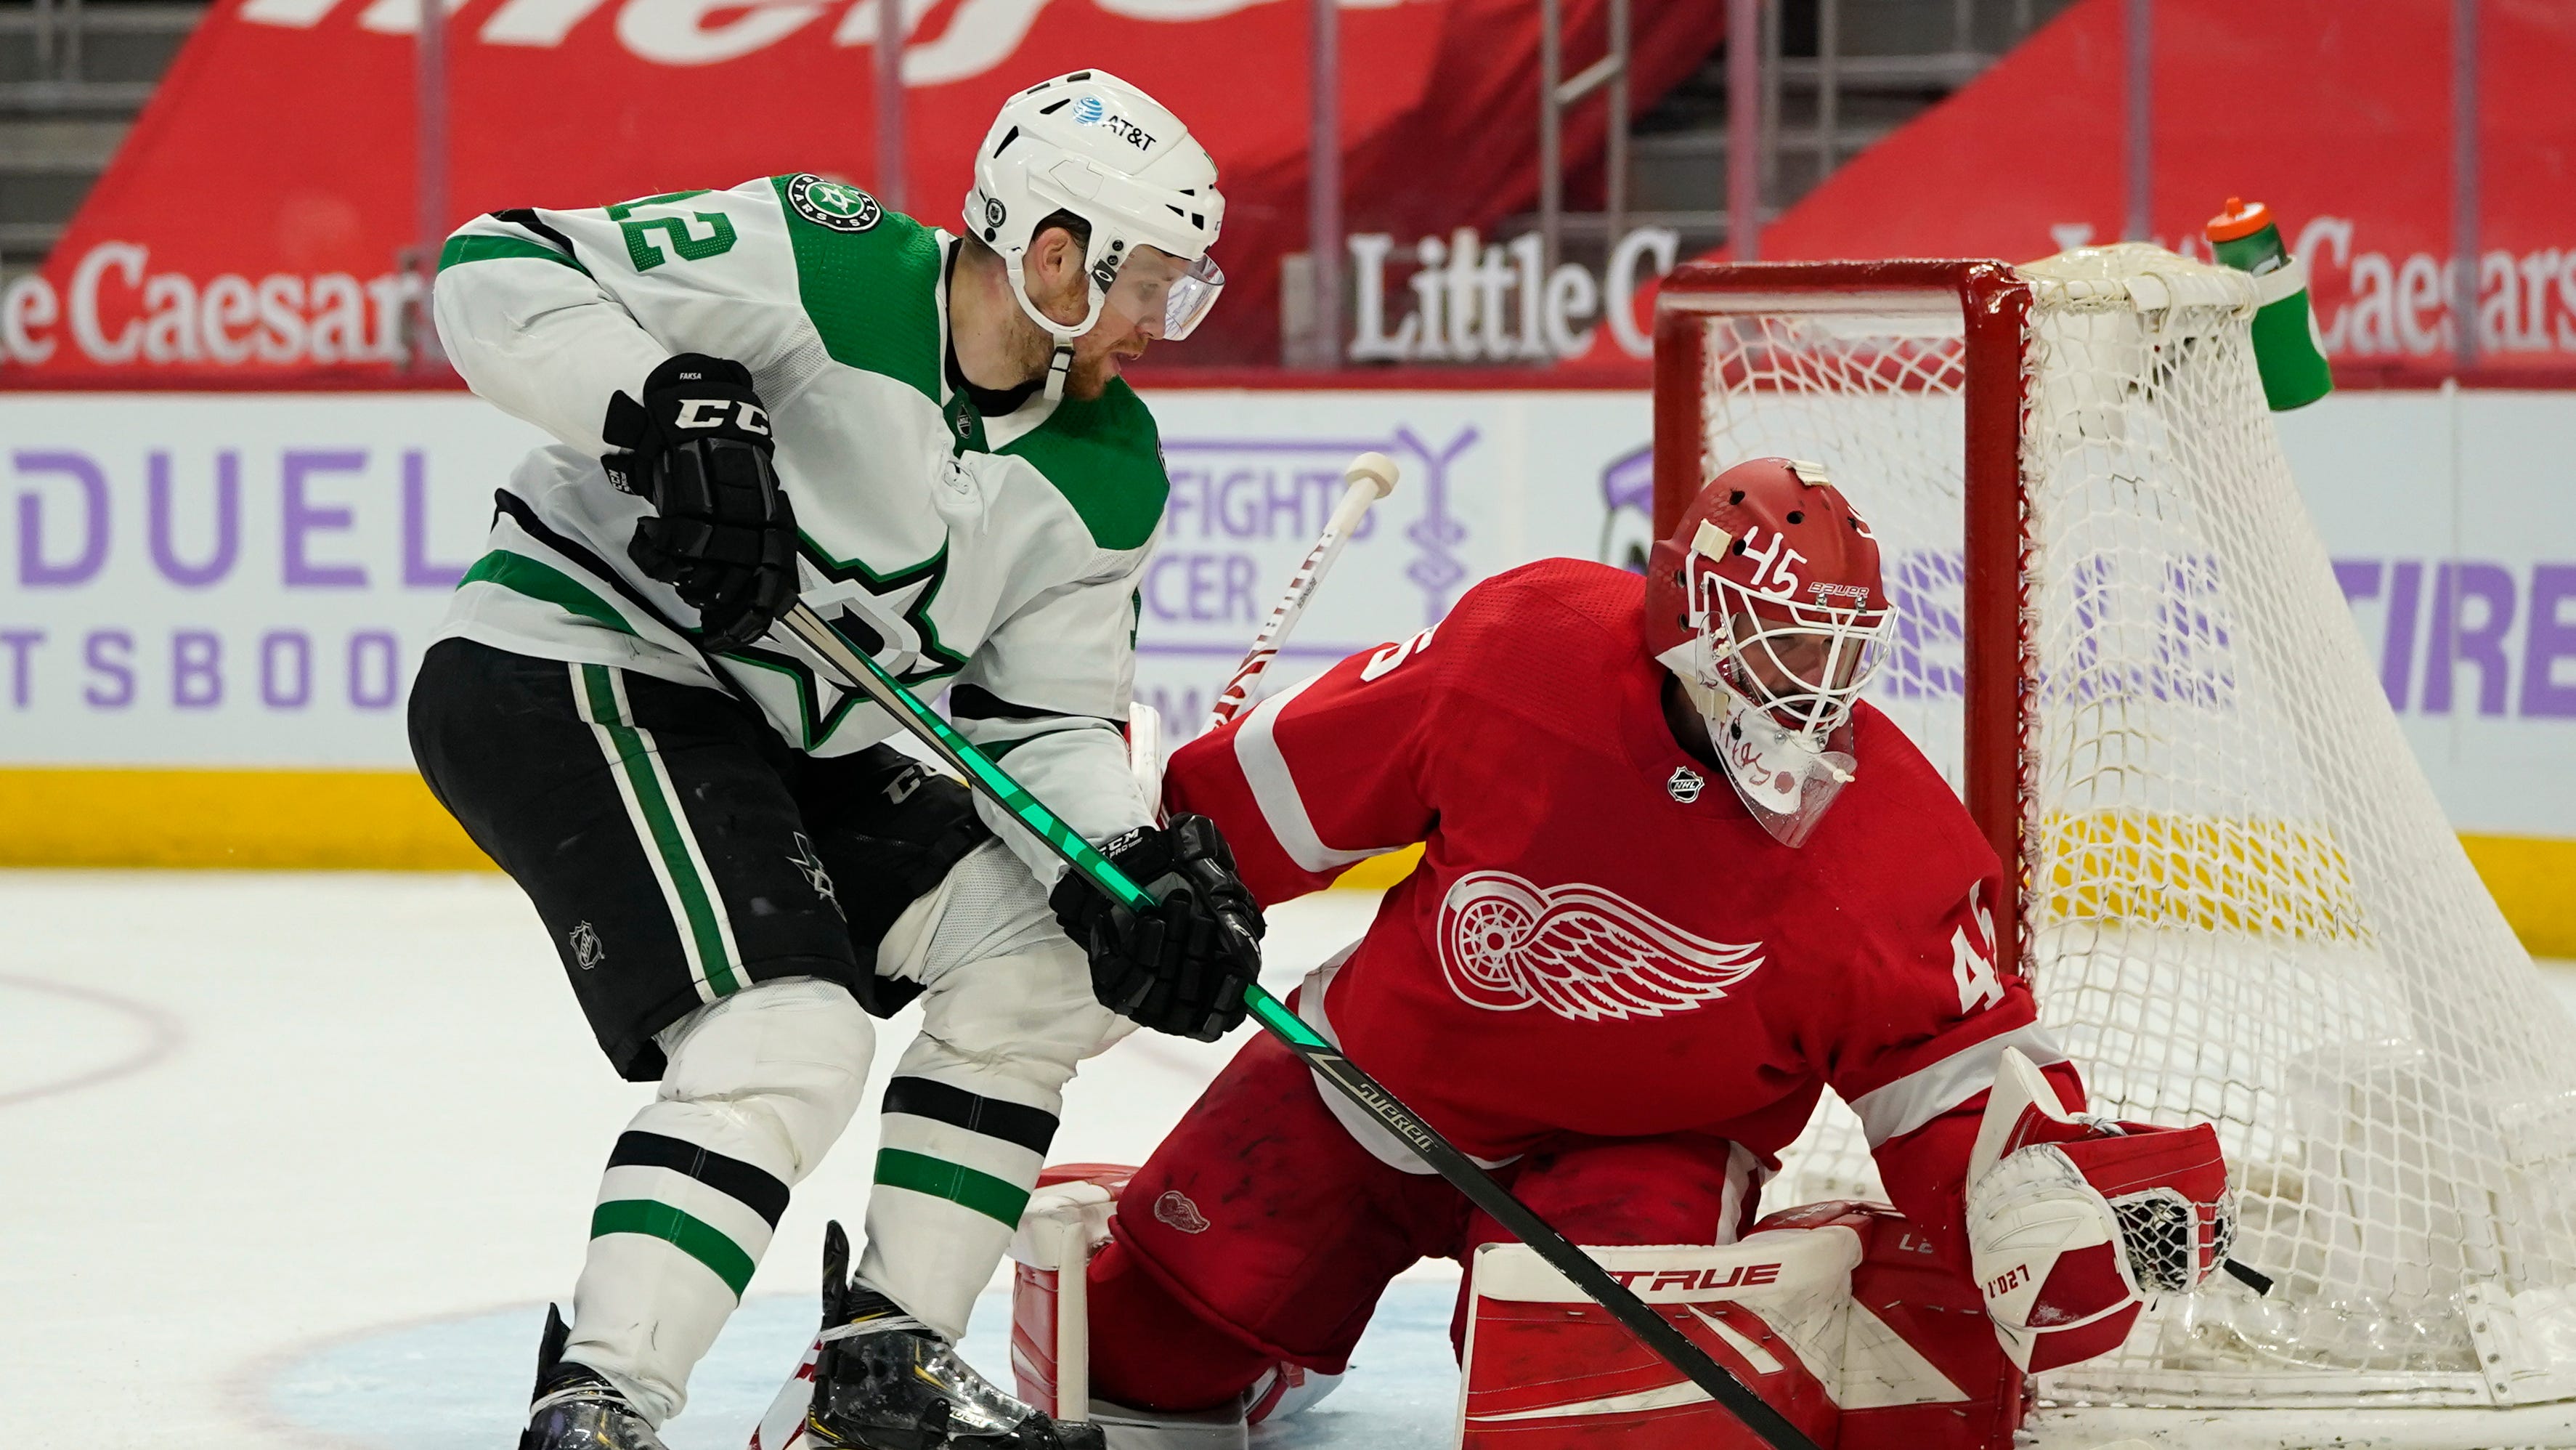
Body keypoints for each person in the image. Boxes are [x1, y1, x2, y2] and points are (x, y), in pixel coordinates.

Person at [408, 70, 1264, 1450]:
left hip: (809, 729)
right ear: (1057, 255)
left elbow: (1037, 723)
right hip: (576, 660)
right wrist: (659, 405)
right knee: (785, 1031)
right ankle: (603, 1401)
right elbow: (495, 268)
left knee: (1048, 973)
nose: (1167, 322)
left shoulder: (1111, 462)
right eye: (1152, 280)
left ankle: (881, 1375)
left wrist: (1123, 869)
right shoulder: (825, 261)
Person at [1068, 458, 2234, 1439]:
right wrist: (1163, 858)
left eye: (1835, 655)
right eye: (1782, 652)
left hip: (1643, 1150)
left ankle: (1812, 1283)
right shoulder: (1525, 650)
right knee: (1143, 1354)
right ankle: (1271, 1340)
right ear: (1685, 619)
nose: (1810, 694)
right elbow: (1277, 799)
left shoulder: (1887, 840)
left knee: (1590, 1415)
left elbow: (1955, 1083)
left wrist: (2035, 1196)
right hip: (1375, 1078)